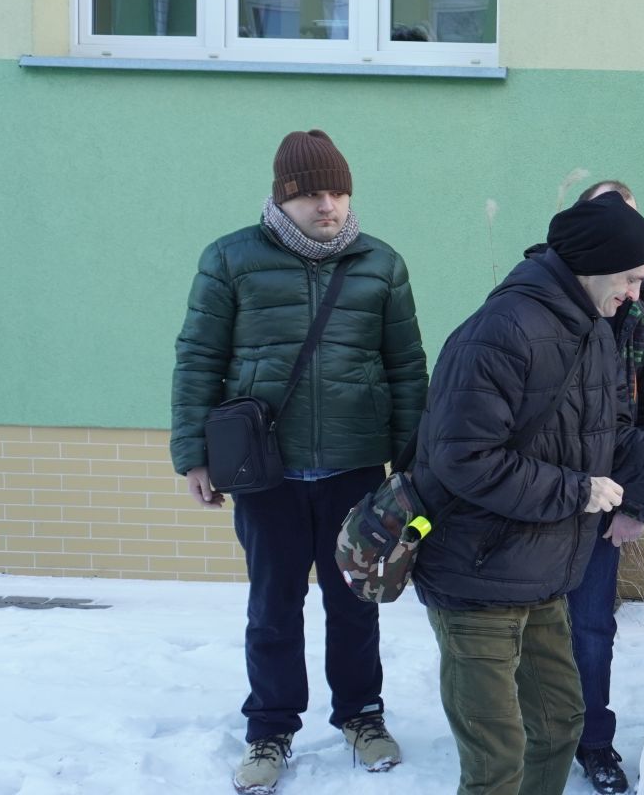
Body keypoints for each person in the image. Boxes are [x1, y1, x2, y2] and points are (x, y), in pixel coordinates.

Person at [413, 191, 644, 795]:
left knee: (558, 725)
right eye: (631, 278)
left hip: (545, 573)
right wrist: (576, 491)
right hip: (476, 576)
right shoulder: (502, 332)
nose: (637, 293)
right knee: (497, 757)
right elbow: (462, 457)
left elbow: (617, 444)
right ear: (594, 266)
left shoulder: (594, 332)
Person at [170, 129, 428, 794]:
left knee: (354, 604)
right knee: (273, 605)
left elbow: (405, 369)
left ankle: (362, 716)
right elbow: (198, 358)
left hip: (353, 466)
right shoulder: (230, 260)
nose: (330, 206)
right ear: (283, 197)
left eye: (339, 191)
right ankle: (270, 728)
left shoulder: (381, 264)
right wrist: (192, 455)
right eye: (313, 193)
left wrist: (412, 463)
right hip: (267, 471)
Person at [555, 182, 644, 795]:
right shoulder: (542, 300)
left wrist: (636, 502)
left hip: (606, 497)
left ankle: (593, 742)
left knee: (590, 629)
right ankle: (534, 735)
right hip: (541, 495)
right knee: (527, 628)